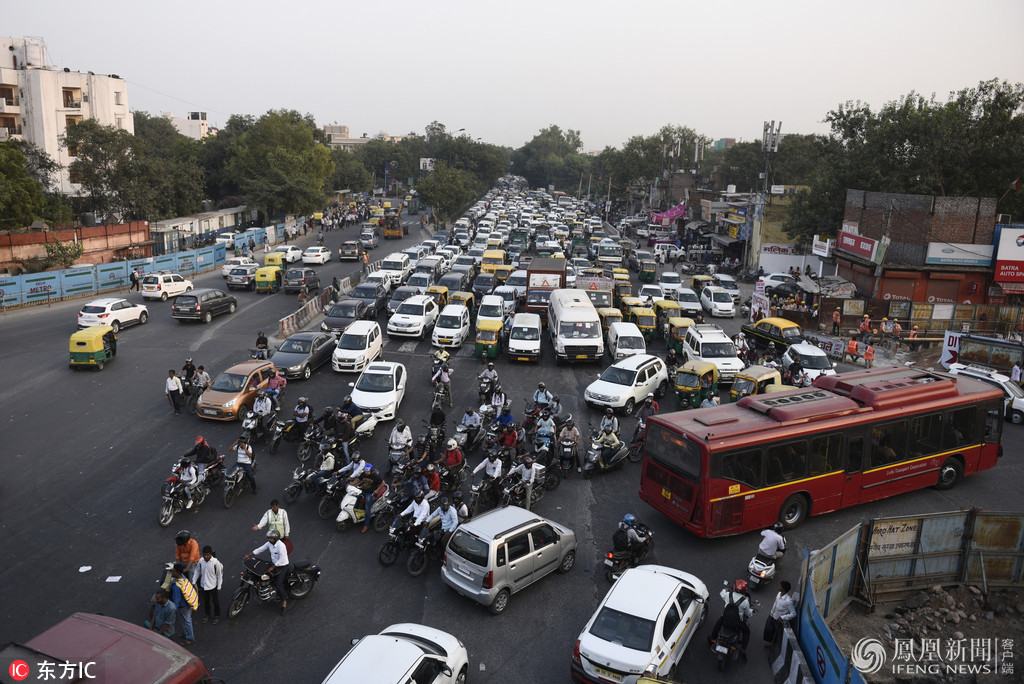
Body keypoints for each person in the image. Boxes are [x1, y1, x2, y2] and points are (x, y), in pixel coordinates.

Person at [244, 530, 290, 615]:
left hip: (282, 565)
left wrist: (272, 567)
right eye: (268, 538)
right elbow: (260, 549)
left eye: (270, 538)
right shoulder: (270, 543)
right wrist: (249, 555)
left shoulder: (281, 546)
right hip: (274, 564)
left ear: (275, 538)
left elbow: (282, 559)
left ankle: (284, 602)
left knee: (278, 584)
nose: (269, 539)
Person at [709, 580, 753, 656]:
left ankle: (712, 638)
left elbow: (721, 594)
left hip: (725, 620)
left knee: (718, 624)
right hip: (737, 624)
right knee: (747, 632)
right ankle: (743, 650)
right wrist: (752, 610)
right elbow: (748, 614)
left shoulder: (728, 595)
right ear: (744, 590)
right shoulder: (745, 601)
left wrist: (724, 590)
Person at [169, 563, 198, 645]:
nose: (172, 573)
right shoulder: (183, 577)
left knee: (186, 621)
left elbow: (177, 600)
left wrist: (174, 609)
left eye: (174, 572)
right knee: (185, 620)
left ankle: (190, 638)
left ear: (178, 573)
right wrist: (172, 583)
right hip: (188, 604)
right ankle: (187, 633)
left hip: (182, 607)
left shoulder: (177, 586)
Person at [195, 546, 223, 625]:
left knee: (215, 601)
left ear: (211, 554)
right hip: (205, 585)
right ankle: (207, 615)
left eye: (207, 555)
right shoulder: (201, 562)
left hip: (214, 585)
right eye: (204, 555)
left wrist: (219, 586)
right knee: (206, 601)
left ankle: (217, 616)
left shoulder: (216, 564)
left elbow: (219, 576)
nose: (206, 557)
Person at [765, 581, 797, 648]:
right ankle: (771, 642)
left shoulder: (788, 601)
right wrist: (771, 613)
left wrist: (783, 617)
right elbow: (775, 603)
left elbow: (793, 614)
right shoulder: (779, 594)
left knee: (777, 633)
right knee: (769, 630)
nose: (779, 586)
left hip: (779, 621)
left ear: (783, 588)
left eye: (780, 585)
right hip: (773, 616)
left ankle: (774, 644)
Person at [357, 464, 384, 533]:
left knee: (367, 508)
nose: (366, 473)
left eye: (368, 472)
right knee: (356, 499)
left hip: (370, 494)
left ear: (371, 471)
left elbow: (383, 483)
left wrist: (377, 490)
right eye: (365, 471)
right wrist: (351, 484)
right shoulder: (363, 474)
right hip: (363, 491)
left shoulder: (376, 476)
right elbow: (358, 480)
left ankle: (366, 525)